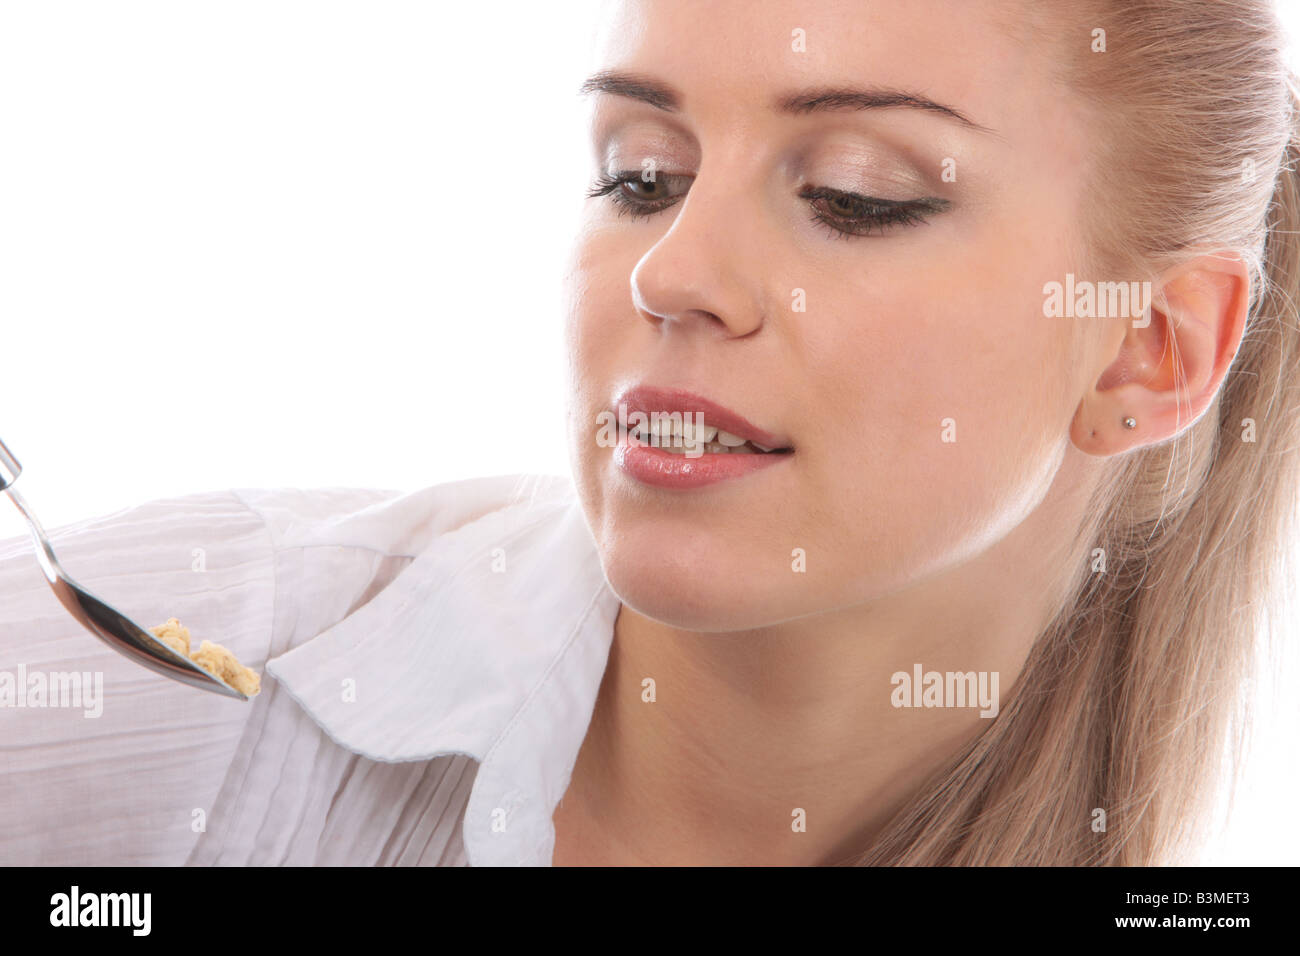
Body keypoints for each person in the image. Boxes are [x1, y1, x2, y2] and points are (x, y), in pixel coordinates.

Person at [2, 0, 1298, 866]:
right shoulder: (165, 688)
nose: (669, 272)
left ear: (1152, 346)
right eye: (641, 174)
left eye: (854, 197)